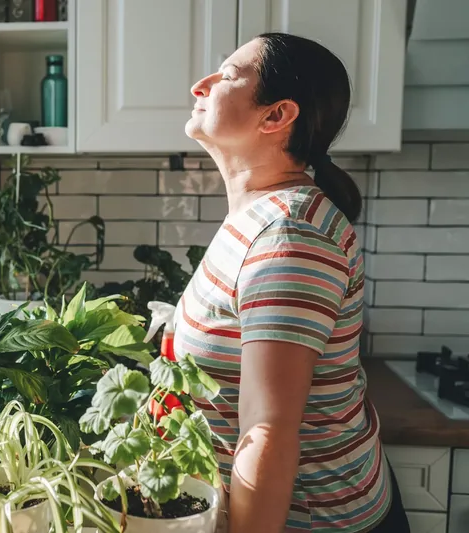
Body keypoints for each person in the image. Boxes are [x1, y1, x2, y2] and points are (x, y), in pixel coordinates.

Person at [175, 32, 409, 532]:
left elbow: (269, 432)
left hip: (312, 519)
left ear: (277, 115)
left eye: (227, 75)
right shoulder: (257, 215)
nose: (200, 85)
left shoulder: (291, 236)